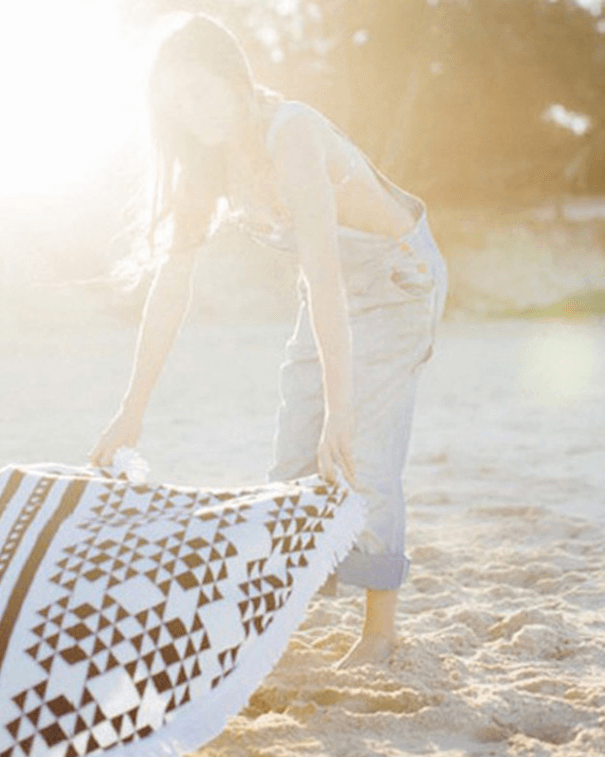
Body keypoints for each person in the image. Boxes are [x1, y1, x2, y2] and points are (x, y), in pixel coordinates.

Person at [89, 15, 447, 667]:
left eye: (200, 93)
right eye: (176, 104)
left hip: (397, 281)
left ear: (234, 78)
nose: (192, 116)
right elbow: (173, 286)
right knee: (292, 456)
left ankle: (380, 635)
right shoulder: (208, 166)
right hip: (331, 296)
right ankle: (282, 608)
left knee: (360, 450)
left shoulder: (295, 133)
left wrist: (341, 408)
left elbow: (328, 275)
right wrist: (131, 409)